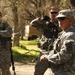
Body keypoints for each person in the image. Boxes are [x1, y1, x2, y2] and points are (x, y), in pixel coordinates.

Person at [40, 9, 75, 75]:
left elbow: (63, 56)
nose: (59, 21)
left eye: (62, 19)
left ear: (70, 20)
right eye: (58, 19)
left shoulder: (70, 36)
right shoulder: (62, 34)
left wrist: (46, 57)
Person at [30, 6, 61, 75]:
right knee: (38, 72)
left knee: (56, 73)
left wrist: (56, 26)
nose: (54, 14)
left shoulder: (61, 23)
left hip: (55, 53)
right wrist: (41, 19)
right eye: (52, 12)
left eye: (55, 12)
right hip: (44, 52)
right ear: (49, 13)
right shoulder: (44, 23)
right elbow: (32, 23)